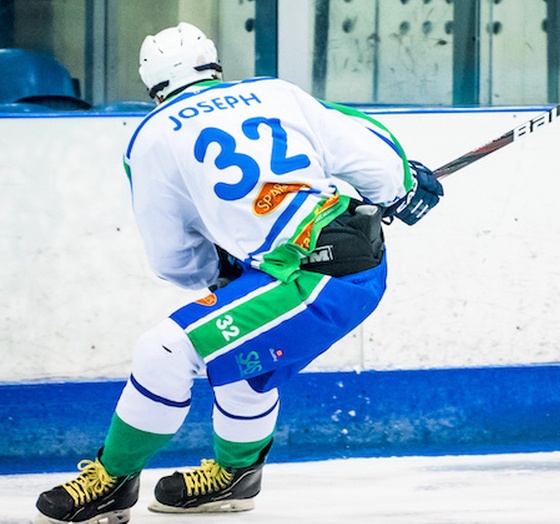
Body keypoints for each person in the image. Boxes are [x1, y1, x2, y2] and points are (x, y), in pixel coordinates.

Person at [35, 22, 443, 523]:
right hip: (349, 259)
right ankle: (236, 477)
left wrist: (217, 274)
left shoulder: (152, 136)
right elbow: (369, 145)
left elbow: (173, 256)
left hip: (313, 278)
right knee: (245, 368)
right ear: (214, 66)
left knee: (166, 349)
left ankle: (113, 483)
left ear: (153, 87)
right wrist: (401, 186)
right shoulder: (275, 93)